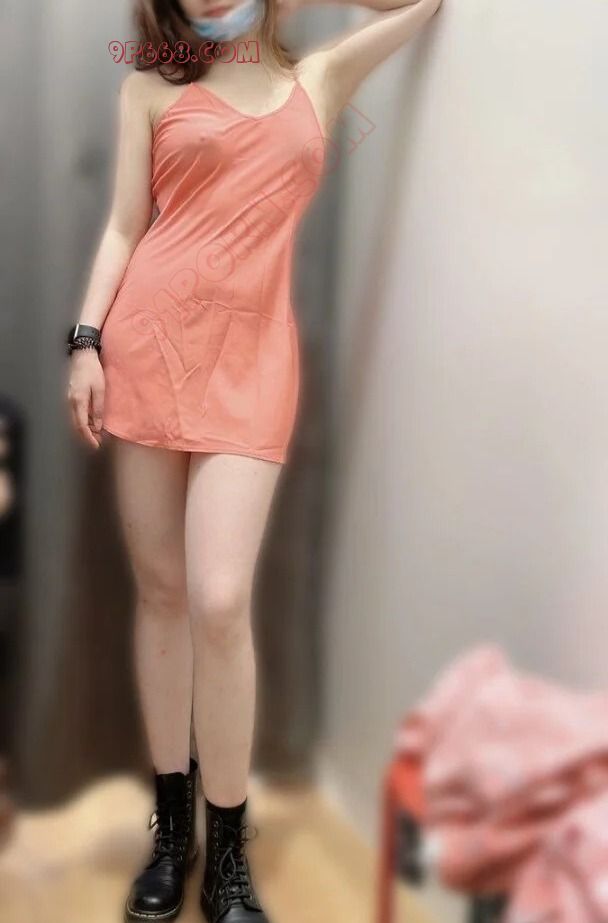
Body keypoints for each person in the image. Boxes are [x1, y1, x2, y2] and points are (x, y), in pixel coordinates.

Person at [65, 0, 442, 919]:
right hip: (147, 347)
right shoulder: (150, 89)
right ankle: (174, 835)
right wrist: (85, 341)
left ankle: (229, 855)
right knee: (163, 591)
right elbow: (124, 227)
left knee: (220, 599)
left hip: (254, 360)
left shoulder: (321, 79)